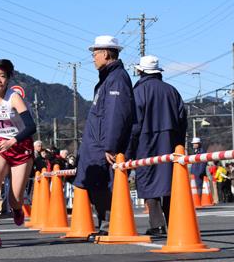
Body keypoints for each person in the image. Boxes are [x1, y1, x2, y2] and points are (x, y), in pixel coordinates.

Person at [73, 36, 135, 235]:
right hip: (98, 141)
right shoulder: (109, 78)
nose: (93, 58)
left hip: (102, 143)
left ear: (106, 53)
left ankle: (108, 226)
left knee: (102, 184)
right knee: (95, 182)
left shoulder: (116, 78)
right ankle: (104, 225)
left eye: (95, 54)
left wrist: (111, 144)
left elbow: (117, 113)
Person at [0, 59, 36, 249]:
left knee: (15, 198)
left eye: (2, 76)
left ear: (8, 79)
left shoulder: (14, 98)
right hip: (0, 147)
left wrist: (13, 140)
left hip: (20, 146)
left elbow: (31, 126)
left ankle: (17, 208)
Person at [125, 55, 187, 236]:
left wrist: (129, 150)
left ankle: (157, 224)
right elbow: (182, 119)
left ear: (140, 71)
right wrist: (179, 145)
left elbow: (134, 125)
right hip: (170, 141)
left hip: (146, 142)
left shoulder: (138, 92)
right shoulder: (172, 91)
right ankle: (175, 222)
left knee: (148, 181)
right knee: (170, 182)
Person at [190, 137, 206, 201]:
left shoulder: (202, 151)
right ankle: (196, 200)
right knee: (195, 187)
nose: (193, 145)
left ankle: (199, 200)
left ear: (198, 144)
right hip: (194, 172)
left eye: (194, 143)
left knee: (199, 187)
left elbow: (203, 163)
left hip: (198, 173)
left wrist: (200, 172)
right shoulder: (196, 151)